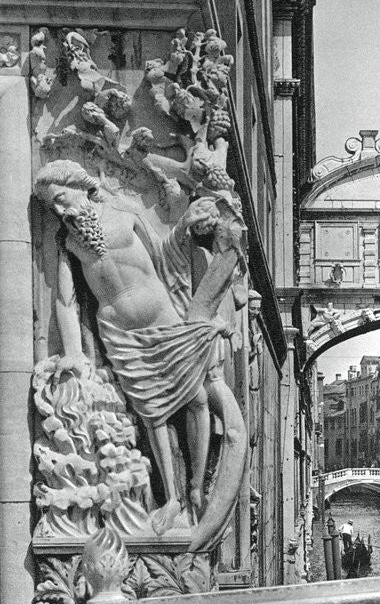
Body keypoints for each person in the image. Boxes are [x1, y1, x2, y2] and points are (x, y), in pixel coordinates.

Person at [33, 160, 234, 537]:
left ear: (79, 185)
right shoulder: (69, 241)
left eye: (60, 199)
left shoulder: (126, 215)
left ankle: (195, 485)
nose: (59, 211)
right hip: (119, 331)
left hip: (161, 316)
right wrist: (75, 350)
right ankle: (172, 497)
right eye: (52, 208)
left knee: (196, 399)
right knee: (151, 413)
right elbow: (65, 299)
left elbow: (166, 258)